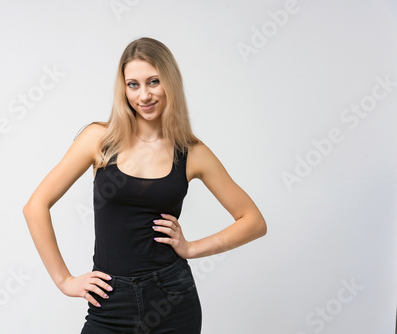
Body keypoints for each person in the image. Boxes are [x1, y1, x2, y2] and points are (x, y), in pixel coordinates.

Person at [23, 37, 267, 334]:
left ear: (170, 83)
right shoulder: (98, 140)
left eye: (154, 82)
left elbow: (253, 221)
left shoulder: (192, 153)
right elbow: (36, 206)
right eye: (133, 84)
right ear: (123, 89)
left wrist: (191, 248)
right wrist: (64, 280)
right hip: (109, 299)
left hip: (172, 298)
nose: (144, 95)